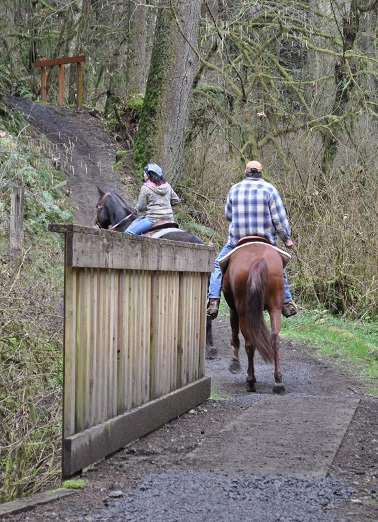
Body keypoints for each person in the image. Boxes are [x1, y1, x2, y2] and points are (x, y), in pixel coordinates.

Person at [207, 160, 298, 319]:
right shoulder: (270, 189)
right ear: (261, 173)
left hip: (237, 242)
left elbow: (228, 215)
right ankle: (286, 301)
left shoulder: (234, 189)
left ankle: (214, 300)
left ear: (245, 172)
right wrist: (286, 239)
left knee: (217, 263)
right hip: (265, 241)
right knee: (279, 266)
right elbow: (279, 219)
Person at [124, 163, 180, 235]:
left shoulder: (146, 188)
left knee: (128, 233)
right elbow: (176, 200)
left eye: (144, 173)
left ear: (149, 175)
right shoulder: (167, 186)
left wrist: (136, 209)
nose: (144, 175)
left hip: (153, 220)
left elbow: (141, 207)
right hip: (169, 220)